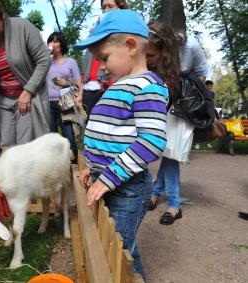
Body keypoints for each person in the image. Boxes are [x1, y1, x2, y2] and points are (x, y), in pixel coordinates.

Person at [75, 10, 169, 279]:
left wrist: (107, 179)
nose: (102, 66)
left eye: (104, 58)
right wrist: (91, 168)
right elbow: (108, 133)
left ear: (130, 46)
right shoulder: (120, 84)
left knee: (117, 254)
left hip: (127, 190)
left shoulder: (147, 86)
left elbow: (151, 142)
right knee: (122, 248)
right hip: (111, 181)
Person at [149, 22, 209, 225]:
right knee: (168, 150)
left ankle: (174, 204)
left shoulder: (191, 45)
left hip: (183, 102)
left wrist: (187, 92)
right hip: (164, 98)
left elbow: (202, 73)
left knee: (172, 152)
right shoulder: (155, 49)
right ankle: (156, 191)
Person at [0, 0, 51, 148]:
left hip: (27, 99)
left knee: (25, 146)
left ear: (1, 15)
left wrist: (28, 91)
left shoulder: (22, 27)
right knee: (6, 145)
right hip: (3, 102)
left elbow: (44, 60)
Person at [146, 21, 185, 225]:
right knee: (167, 155)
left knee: (170, 157)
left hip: (175, 116)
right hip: (163, 115)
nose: (147, 60)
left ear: (164, 51)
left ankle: (174, 204)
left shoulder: (173, 69)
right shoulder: (152, 66)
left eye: (151, 56)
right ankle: (155, 193)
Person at [80, 0, 129, 116]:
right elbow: (88, 61)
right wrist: (80, 92)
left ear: (120, 7)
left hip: (112, 88)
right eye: (104, 7)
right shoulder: (96, 30)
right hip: (89, 87)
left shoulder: (126, 30)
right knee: (89, 125)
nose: (106, 10)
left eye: (110, 6)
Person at [46, 31, 82, 162]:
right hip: (48, 103)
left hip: (66, 102)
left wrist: (67, 83)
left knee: (68, 134)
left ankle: (73, 164)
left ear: (62, 44)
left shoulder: (70, 62)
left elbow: (79, 83)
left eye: (56, 41)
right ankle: (55, 164)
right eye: (51, 41)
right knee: (51, 135)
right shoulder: (45, 62)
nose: (53, 44)